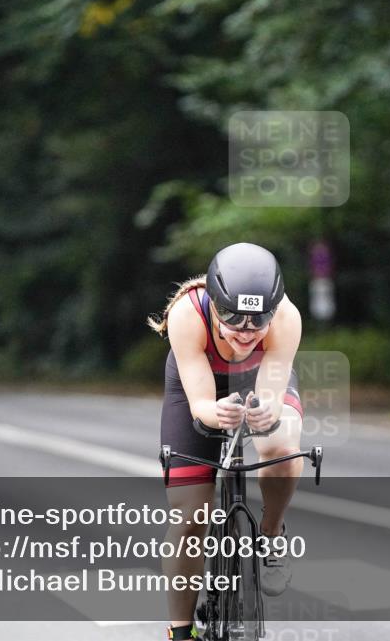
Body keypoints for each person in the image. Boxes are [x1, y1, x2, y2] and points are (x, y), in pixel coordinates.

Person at [149, 243, 303, 641]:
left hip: (260, 378)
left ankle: (271, 535)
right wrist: (213, 412)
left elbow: (271, 394)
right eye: (233, 320)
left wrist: (266, 413)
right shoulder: (187, 314)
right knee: (189, 518)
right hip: (198, 384)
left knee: (283, 449)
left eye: (257, 322)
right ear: (215, 306)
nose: (245, 333)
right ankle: (181, 631)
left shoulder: (287, 317)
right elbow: (200, 404)